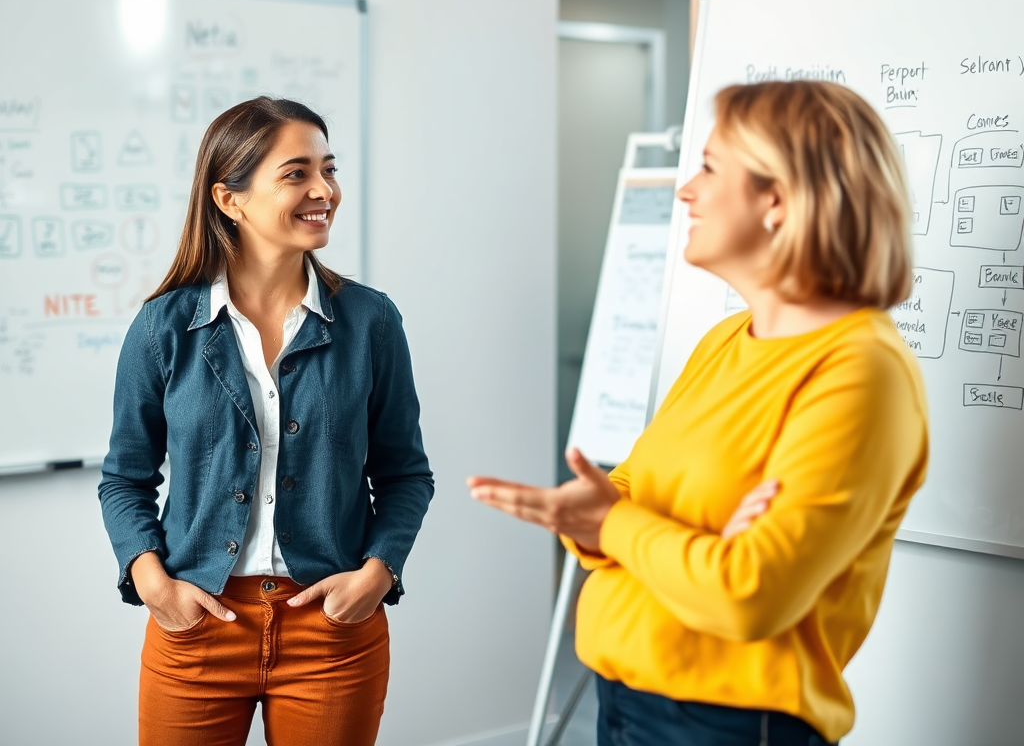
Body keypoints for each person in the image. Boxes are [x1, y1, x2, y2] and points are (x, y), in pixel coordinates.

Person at [469, 80, 928, 746]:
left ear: (778, 198)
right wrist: (642, 527)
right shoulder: (726, 340)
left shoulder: (861, 370)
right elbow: (631, 487)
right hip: (625, 696)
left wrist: (625, 525)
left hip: (725, 724)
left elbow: (747, 593)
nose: (685, 191)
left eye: (710, 167)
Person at [99, 96, 433, 746]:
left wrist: (379, 572)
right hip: (197, 626)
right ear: (230, 200)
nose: (324, 191)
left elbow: (405, 474)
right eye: (297, 173)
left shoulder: (371, 321)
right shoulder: (163, 327)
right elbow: (125, 477)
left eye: (328, 170)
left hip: (332, 632)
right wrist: (152, 582)